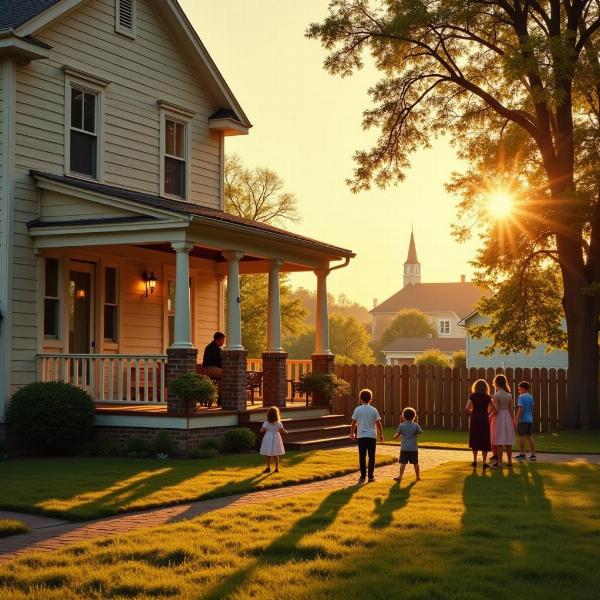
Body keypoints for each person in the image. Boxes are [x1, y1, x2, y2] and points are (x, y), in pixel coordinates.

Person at [350, 388, 384, 484]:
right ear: (370, 399)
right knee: (371, 456)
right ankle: (371, 476)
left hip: (361, 436)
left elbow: (353, 423)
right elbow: (378, 424)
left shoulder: (357, 409)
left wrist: (352, 433)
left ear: (360, 399)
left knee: (362, 456)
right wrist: (381, 434)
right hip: (372, 436)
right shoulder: (373, 410)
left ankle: (362, 476)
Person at [465, 379, 494, 469]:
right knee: (484, 439)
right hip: (484, 418)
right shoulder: (488, 397)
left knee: (475, 438)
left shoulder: (472, 396)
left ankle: (474, 461)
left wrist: (474, 411)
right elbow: (493, 408)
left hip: (475, 418)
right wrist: (487, 412)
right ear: (486, 387)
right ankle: (484, 462)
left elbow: (467, 408)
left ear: (475, 387)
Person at [490, 374, 515, 468]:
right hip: (507, 418)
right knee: (508, 442)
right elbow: (511, 409)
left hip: (499, 418)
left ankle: (500, 463)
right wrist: (513, 421)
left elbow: (495, 410)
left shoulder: (496, 395)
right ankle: (510, 462)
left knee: (499, 442)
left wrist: (489, 416)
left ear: (496, 383)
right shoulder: (509, 395)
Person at [392, 407, 423, 482]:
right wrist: (415, 433)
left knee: (403, 463)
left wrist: (394, 437)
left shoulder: (402, 425)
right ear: (414, 416)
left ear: (403, 416)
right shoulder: (416, 425)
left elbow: (398, 434)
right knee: (415, 463)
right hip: (413, 448)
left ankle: (400, 476)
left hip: (404, 448)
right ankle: (417, 477)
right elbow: (421, 432)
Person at [259, 406, 288, 473]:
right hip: (276, 437)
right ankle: (277, 468)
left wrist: (261, 430)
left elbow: (262, 431)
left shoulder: (266, 423)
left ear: (268, 414)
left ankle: (268, 467)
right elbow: (282, 431)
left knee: (268, 454)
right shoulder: (278, 423)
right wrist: (286, 432)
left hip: (268, 437)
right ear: (276, 414)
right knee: (276, 453)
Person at [515, 381, 536, 461]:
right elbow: (531, 408)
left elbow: (521, 409)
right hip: (530, 419)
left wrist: (516, 418)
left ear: (523, 388)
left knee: (521, 436)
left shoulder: (521, 397)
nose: (519, 391)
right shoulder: (530, 397)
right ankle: (533, 454)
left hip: (523, 420)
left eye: (520, 389)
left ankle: (522, 454)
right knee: (530, 436)